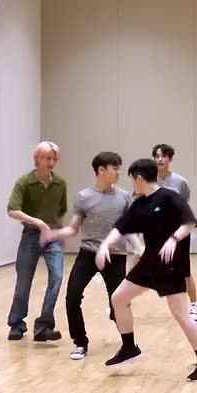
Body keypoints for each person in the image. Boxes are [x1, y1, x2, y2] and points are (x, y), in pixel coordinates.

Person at [97, 158, 197, 382]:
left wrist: (173, 239)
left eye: (133, 180)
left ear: (139, 178)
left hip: (171, 265)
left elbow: (190, 223)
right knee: (118, 298)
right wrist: (105, 245)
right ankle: (129, 348)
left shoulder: (170, 197)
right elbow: (120, 227)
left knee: (181, 315)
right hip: (149, 263)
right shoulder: (139, 204)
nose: (132, 184)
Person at [41, 151, 143, 360]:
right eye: (115, 168)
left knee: (119, 302)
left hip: (115, 256)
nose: (119, 172)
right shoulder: (84, 197)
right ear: (101, 170)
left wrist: (139, 248)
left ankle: (129, 346)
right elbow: (73, 229)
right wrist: (54, 234)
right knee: (72, 297)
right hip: (87, 254)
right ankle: (80, 342)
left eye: (119, 168)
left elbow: (129, 228)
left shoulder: (124, 197)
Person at [5, 141, 69, 342]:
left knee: (57, 278)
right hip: (31, 236)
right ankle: (17, 323)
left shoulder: (60, 184)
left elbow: (61, 209)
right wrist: (38, 222)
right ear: (37, 159)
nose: (52, 162)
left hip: (53, 236)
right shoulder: (24, 182)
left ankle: (44, 325)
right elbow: (12, 210)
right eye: (48, 158)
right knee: (23, 281)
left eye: (54, 159)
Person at [152, 143, 197, 323]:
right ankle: (125, 299)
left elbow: (184, 204)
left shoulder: (180, 182)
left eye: (163, 156)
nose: (160, 159)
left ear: (170, 159)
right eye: (157, 156)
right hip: (157, 232)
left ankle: (194, 305)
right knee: (145, 266)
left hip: (178, 232)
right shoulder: (149, 180)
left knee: (184, 271)